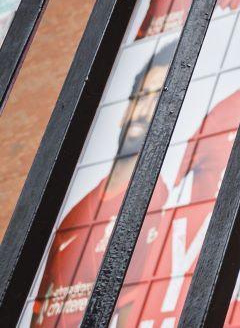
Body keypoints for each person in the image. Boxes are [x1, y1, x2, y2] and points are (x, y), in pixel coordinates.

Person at [31, 41, 177, 326]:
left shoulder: (154, 203)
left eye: (157, 99)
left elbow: (132, 312)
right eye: (142, 96)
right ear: (126, 109)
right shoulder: (73, 217)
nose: (145, 109)